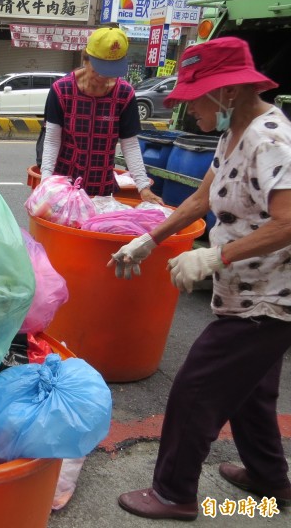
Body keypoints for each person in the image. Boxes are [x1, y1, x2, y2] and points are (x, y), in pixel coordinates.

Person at [109, 36, 291, 520]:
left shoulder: (271, 140)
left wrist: (216, 259)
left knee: (195, 390)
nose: (190, 111)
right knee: (251, 392)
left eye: (194, 100)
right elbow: (198, 200)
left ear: (227, 93)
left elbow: (289, 221)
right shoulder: (235, 136)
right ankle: (270, 479)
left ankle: (174, 493)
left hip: (268, 300)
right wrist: (150, 239)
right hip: (245, 290)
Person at [39, 26, 162, 203]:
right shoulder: (62, 90)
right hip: (64, 186)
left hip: (101, 188)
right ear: (86, 59)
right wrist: (46, 181)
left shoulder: (124, 93)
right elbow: (52, 140)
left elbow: (130, 144)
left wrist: (143, 187)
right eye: (99, 68)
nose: (104, 76)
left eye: (111, 70)